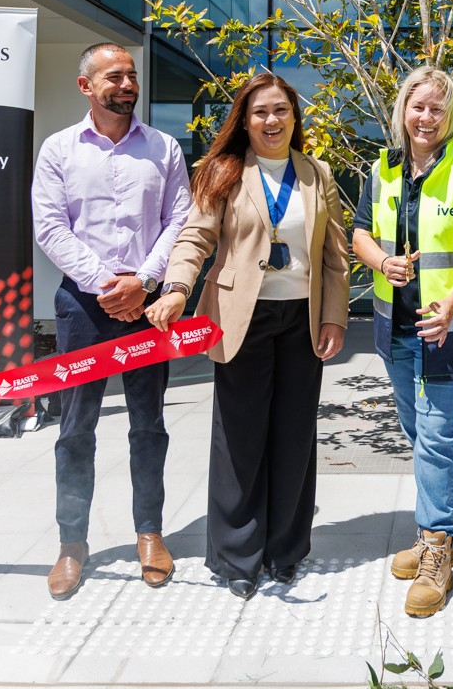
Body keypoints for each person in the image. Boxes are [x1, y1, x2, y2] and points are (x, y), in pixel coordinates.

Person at [145, 73, 348, 600]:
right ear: (245, 118)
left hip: (302, 318)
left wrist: (335, 318)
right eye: (260, 112)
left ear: (294, 116)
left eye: (281, 110)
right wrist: (175, 289)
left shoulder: (316, 173)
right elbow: (195, 237)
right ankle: (238, 557)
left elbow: (335, 256)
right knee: (240, 439)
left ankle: (285, 551)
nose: (272, 121)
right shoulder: (223, 171)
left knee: (294, 436)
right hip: (241, 316)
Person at [32, 43, 192, 601]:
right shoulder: (58, 150)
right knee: (75, 429)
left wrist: (143, 283)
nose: (127, 84)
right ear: (86, 86)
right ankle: (72, 544)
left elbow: (181, 219)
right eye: (114, 76)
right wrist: (108, 284)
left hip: (148, 308)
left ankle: (150, 533)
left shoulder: (164, 147)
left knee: (149, 426)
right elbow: (50, 228)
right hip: (84, 307)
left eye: (132, 76)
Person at [351, 67, 453, 617]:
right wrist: (382, 261)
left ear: (452, 116)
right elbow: (359, 233)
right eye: (417, 107)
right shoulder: (381, 169)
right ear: (402, 111)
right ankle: (445, 534)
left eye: (437, 110)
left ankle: (437, 546)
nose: (426, 118)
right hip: (395, 326)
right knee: (417, 431)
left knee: (438, 436)